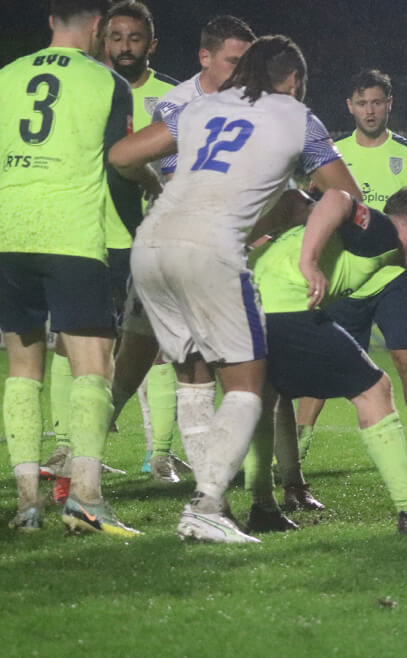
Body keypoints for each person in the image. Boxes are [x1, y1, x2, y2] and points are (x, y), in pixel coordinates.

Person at [109, 34, 361, 543]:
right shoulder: (298, 117)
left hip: (153, 246)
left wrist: (156, 188)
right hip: (211, 251)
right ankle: (206, 505)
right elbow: (347, 194)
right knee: (248, 385)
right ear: (293, 79)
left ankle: (208, 505)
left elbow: (122, 155)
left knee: (194, 377)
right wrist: (293, 218)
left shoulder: (200, 108)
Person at [248, 184, 407, 534]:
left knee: (266, 398)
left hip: (251, 303)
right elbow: (337, 198)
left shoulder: (369, 242)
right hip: (285, 305)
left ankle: (262, 508)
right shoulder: (382, 231)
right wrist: (308, 261)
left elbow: (298, 203)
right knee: (375, 389)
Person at [0, 0, 146, 536]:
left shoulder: (7, 77)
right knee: (91, 364)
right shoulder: (107, 82)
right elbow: (118, 163)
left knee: (22, 369)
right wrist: (134, 229)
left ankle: (26, 506)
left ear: (49, 22)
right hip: (72, 234)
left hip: (9, 233)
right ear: (98, 26)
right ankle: (85, 499)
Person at [107, 14, 257, 485]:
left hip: (221, 247)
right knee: (136, 356)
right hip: (173, 242)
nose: (241, 72)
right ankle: (87, 445)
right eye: (234, 62)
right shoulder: (178, 105)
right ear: (205, 58)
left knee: (208, 359)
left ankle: (198, 468)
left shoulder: (256, 101)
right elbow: (174, 174)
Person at [39, 0, 181, 496]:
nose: (123, 47)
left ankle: (159, 455)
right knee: (73, 341)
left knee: (156, 345)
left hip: (154, 237)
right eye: (116, 36)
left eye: (134, 38)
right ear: (103, 37)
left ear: (151, 45)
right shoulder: (85, 87)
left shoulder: (173, 97)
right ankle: (64, 445)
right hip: (91, 236)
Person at [295, 69, 407, 471]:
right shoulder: (333, 153)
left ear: (389, 104)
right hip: (345, 279)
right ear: (350, 107)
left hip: (392, 278)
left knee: (406, 359)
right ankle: (297, 448)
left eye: (377, 102)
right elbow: (307, 206)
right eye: (362, 103)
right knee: (323, 365)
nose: (370, 110)